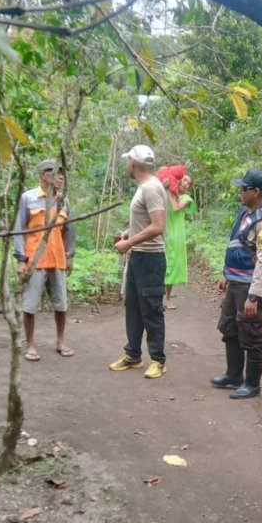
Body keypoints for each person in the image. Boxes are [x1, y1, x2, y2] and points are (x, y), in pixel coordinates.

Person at [210, 167, 262, 399]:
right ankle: (233, 374)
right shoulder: (245, 212)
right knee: (230, 327)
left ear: (256, 191)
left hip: (250, 285)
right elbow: (235, 243)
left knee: (250, 333)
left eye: (243, 188)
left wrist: (254, 296)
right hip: (235, 281)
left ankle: (252, 383)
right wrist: (225, 273)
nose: (239, 192)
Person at [109, 144, 167, 379]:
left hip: (150, 259)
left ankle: (158, 360)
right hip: (138, 257)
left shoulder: (151, 188)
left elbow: (158, 226)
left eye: (127, 161)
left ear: (133, 163)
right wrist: (127, 233)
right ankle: (133, 354)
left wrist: (129, 242)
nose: (127, 165)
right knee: (133, 308)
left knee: (151, 310)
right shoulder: (144, 187)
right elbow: (146, 221)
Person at [13, 159, 75, 361]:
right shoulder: (28, 198)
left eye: (62, 174)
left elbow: (68, 231)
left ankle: (60, 341)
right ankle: (30, 345)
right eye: (56, 173)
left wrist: (69, 257)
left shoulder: (63, 201)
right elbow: (19, 229)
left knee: (61, 304)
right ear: (43, 175)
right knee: (30, 305)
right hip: (35, 260)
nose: (60, 178)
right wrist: (21, 259)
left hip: (57, 259)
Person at [162, 171, 194, 309]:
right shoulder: (167, 192)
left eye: (188, 183)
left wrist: (169, 189)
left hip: (176, 234)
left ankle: (168, 299)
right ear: (179, 180)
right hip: (161, 229)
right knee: (159, 263)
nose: (186, 183)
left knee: (172, 264)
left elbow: (175, 208)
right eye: (184, 180)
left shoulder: (186, 198)